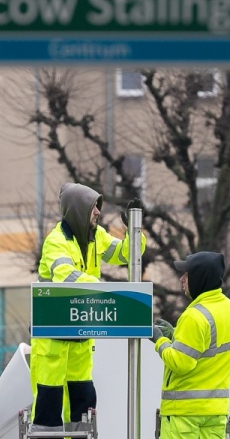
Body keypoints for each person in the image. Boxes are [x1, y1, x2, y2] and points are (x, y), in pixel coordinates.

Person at [29, 182, 146, 432]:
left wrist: (134, 229)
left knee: (83, 405)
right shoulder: (56, 242)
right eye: (94, 207)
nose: (97, 212)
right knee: (48, 410)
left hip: (80, 336)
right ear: (78, 209)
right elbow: (66, 276)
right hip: (53, 341)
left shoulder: (96, 237)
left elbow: (126, 255)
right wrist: (103, 290)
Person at [150, 251, 230, 439]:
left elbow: (181, 362)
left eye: (187, 275)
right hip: (215, 412)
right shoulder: (229, 308)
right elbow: (205, 347)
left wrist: (160, 340)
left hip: (184, 415)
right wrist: (175, 336)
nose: (182, 279)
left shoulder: (194, 316)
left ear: (200, 278)